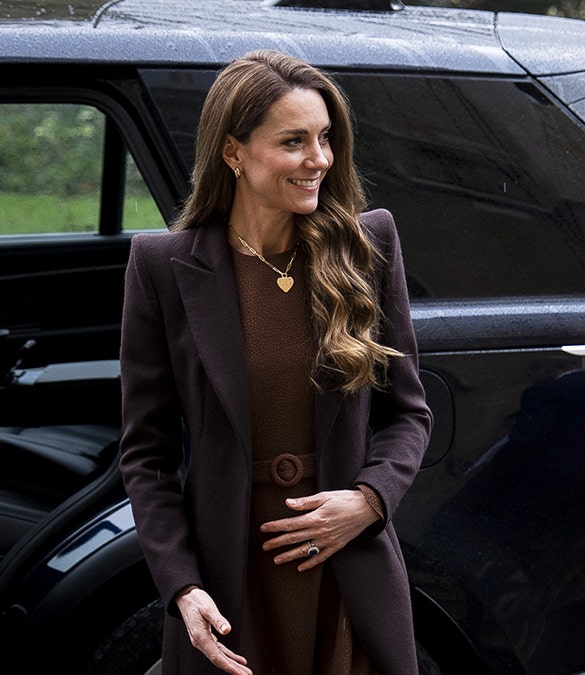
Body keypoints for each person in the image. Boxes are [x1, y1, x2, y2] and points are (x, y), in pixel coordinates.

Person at [119, 50, 432, 675]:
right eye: (294, 141)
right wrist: (182, 586)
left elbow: (408, 413)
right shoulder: (163, 267)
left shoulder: (367, 246)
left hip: (344, 565)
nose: (319, 159)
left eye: (325, 139)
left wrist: (370, 501)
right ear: (234, 152)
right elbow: (145, 456)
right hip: (231, 579)